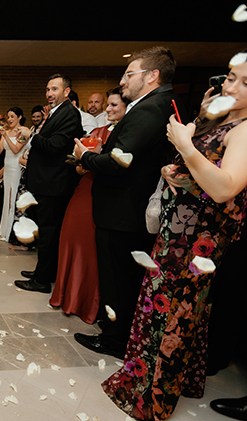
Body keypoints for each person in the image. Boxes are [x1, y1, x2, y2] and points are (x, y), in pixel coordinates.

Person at [101, 54, 247, 421]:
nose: (231, 87)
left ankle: (152, 396)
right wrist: (177, 168)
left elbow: (225, 188)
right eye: (231, 78)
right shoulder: (224, 119)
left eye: (245, 83)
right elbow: (202, 168)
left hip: (198, 240)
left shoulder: (245, 130)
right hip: (180, 230)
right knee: (179, 311)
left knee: (169, 313)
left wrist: (185, 148)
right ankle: (181, 381)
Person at [73, 47, 183, 359]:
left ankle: (115, 339)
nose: (123, 80)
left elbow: (121, 161)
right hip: (128, 208)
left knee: (118, 279)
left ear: (152, 76)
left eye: (129, 74)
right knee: (125, 277)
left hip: (123, 211)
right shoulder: (162, 103)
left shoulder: (150, 108)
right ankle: (121, 333)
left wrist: (87, 156)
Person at [49, 87, 129, 324]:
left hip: (103, 194)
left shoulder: (126, 135)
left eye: (114, 105)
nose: (108, 109)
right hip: (83, 190)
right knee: (70, 239)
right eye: (109, 105)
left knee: (91, 249)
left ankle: (88, 302)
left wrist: (93, 162)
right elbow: (78, 166)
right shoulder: (97, 131)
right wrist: (84, 161)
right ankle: (67, 296)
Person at [15, 74, 84, 293]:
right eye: (47, 89)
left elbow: (56, 145)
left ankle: (42, 281)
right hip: (44, 182)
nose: (49, 94)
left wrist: (32, 135)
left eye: (54, 89)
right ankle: (43, 271)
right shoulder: (57, 113)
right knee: (45, 232)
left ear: (66, 91)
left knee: (48, 233)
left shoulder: (70, 114)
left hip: (54, 184)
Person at [0, 107, 28, 241]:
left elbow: (15, 150)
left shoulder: (24, 132)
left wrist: (5, 136)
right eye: (8, 117)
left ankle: (12, 231)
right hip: (7, 169)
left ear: (19, 117)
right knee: (7, 196)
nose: (10, 119)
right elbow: (1, 150)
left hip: (17, 167)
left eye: (12, 116)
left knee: (13, 198)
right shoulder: (6, 132)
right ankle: (5, 228)